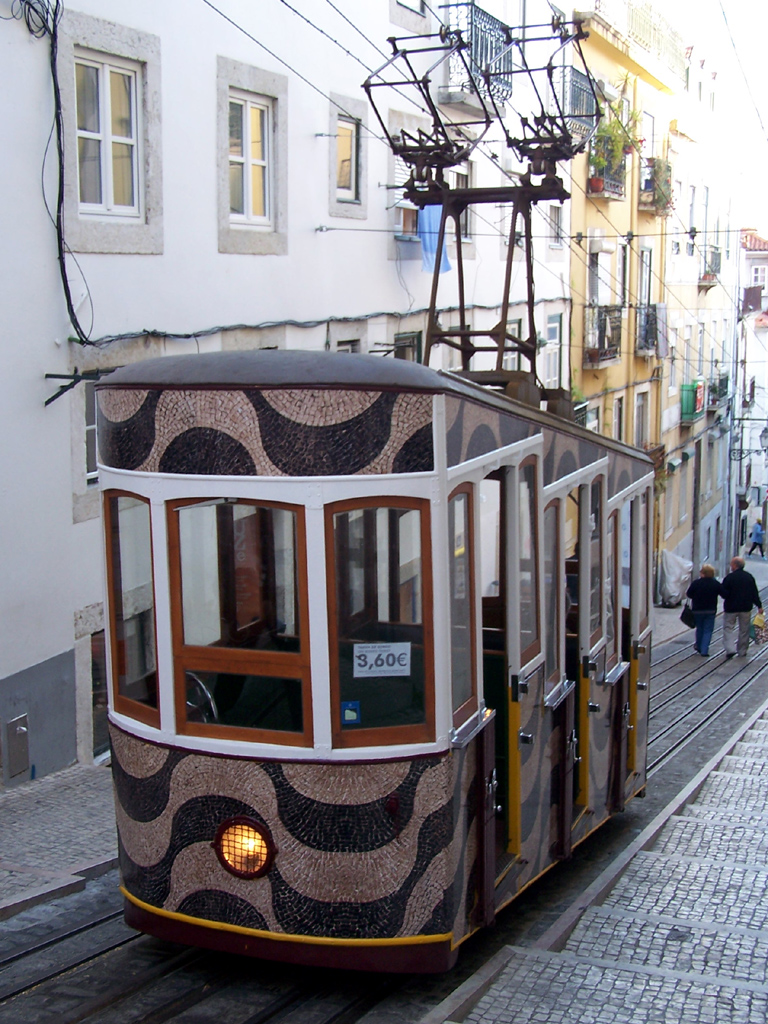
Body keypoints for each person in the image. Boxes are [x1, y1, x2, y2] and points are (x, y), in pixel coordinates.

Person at [720, 556, 763, 658]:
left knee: (728, 628)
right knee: (744, 629)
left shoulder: (729, 578)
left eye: (731, 564)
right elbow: (754, 593)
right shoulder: (749, 577)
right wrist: (759, 606)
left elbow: (723, 593)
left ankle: (730, 649)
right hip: (745, 607)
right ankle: (742, 650)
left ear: (735, 566)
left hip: (731, 608)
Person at [686, 564, 721, 657]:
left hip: (697, 610)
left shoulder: (696, 583)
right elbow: (724, 593)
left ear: (703, 573)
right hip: (710, 610)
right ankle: (704, 650)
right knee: (708, 630)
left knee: (700, 628)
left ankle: (699, 645)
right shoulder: (715, 583)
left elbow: (689, 594)